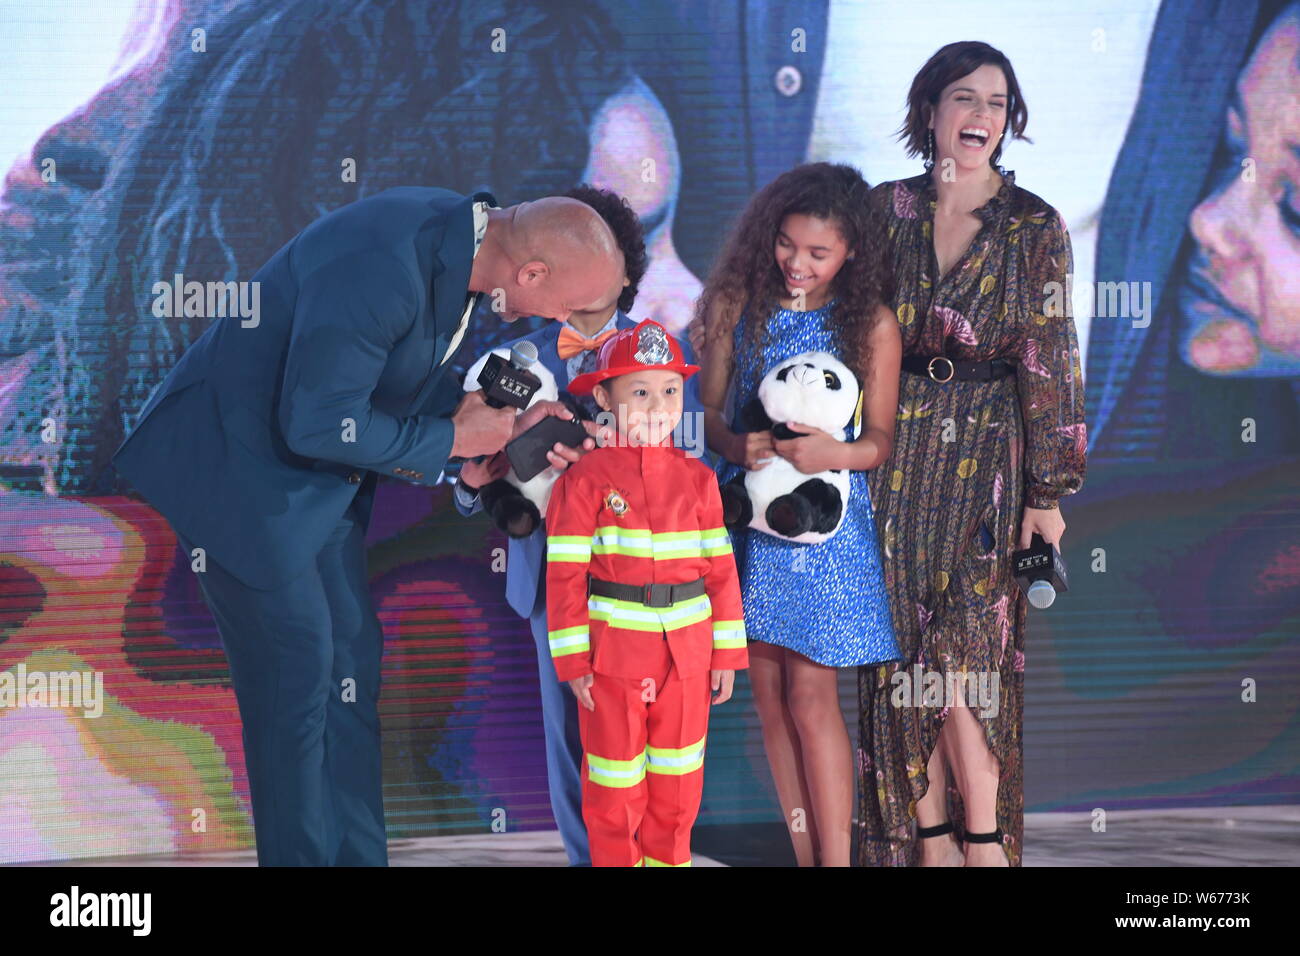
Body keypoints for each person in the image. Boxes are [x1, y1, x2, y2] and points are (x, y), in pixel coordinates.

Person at [111, 187, 624, 866]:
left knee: (351, 666)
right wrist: (448, 438)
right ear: (530, 276)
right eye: (572, 306)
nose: (574, 323)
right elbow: (320, 420)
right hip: (241, 474)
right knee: (297, 679)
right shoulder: (382, 264)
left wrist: (477, 440)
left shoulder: (459, 243)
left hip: (316, 480)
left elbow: (386, 380)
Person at [855, 42, 1087, 867]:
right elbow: (854, 337)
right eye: (964, 98)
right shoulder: (884, 211)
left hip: (992, 446)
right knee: (897, 649)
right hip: (896, 444)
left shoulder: (1035, 227)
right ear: (931, 112)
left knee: (968, 652)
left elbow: (1051, 353)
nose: (981, 116)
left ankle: (983, 839)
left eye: (996, 102)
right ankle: (928, 837)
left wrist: (1048, 489)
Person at [453, 186, 705, 865]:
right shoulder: (511, 360)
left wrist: (615, 459)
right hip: (550, 579)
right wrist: (480, 482)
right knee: (572, 737)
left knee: (663, 744)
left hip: (654, 589)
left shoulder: (667, 354)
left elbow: (697, 469)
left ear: (626, 270)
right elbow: (467, 473)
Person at [692, 161, 902, 867]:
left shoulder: (870, 325)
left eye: (819, 252)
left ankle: (836, 861)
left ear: (852, 253)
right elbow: (711, 418)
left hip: (824, 532)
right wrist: (734, 442)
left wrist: (829, 456)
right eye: (787, 244)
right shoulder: (733, 304)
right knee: (771, 704)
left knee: (813, 700)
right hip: (748, 526)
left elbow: (878, 444)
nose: (798, 263)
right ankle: (805, 852)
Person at [543, 318, 747, 867]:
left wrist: (725, 654)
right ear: (605, 397)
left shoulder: (700, 479)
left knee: (678, 790)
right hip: (612, 661)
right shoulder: (582, 480)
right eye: (640, 391)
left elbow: (721, 572)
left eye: (670, 391)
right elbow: (563, 577)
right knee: (613, 788)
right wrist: (573, 661)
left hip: (687, 659)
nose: (658, 407)